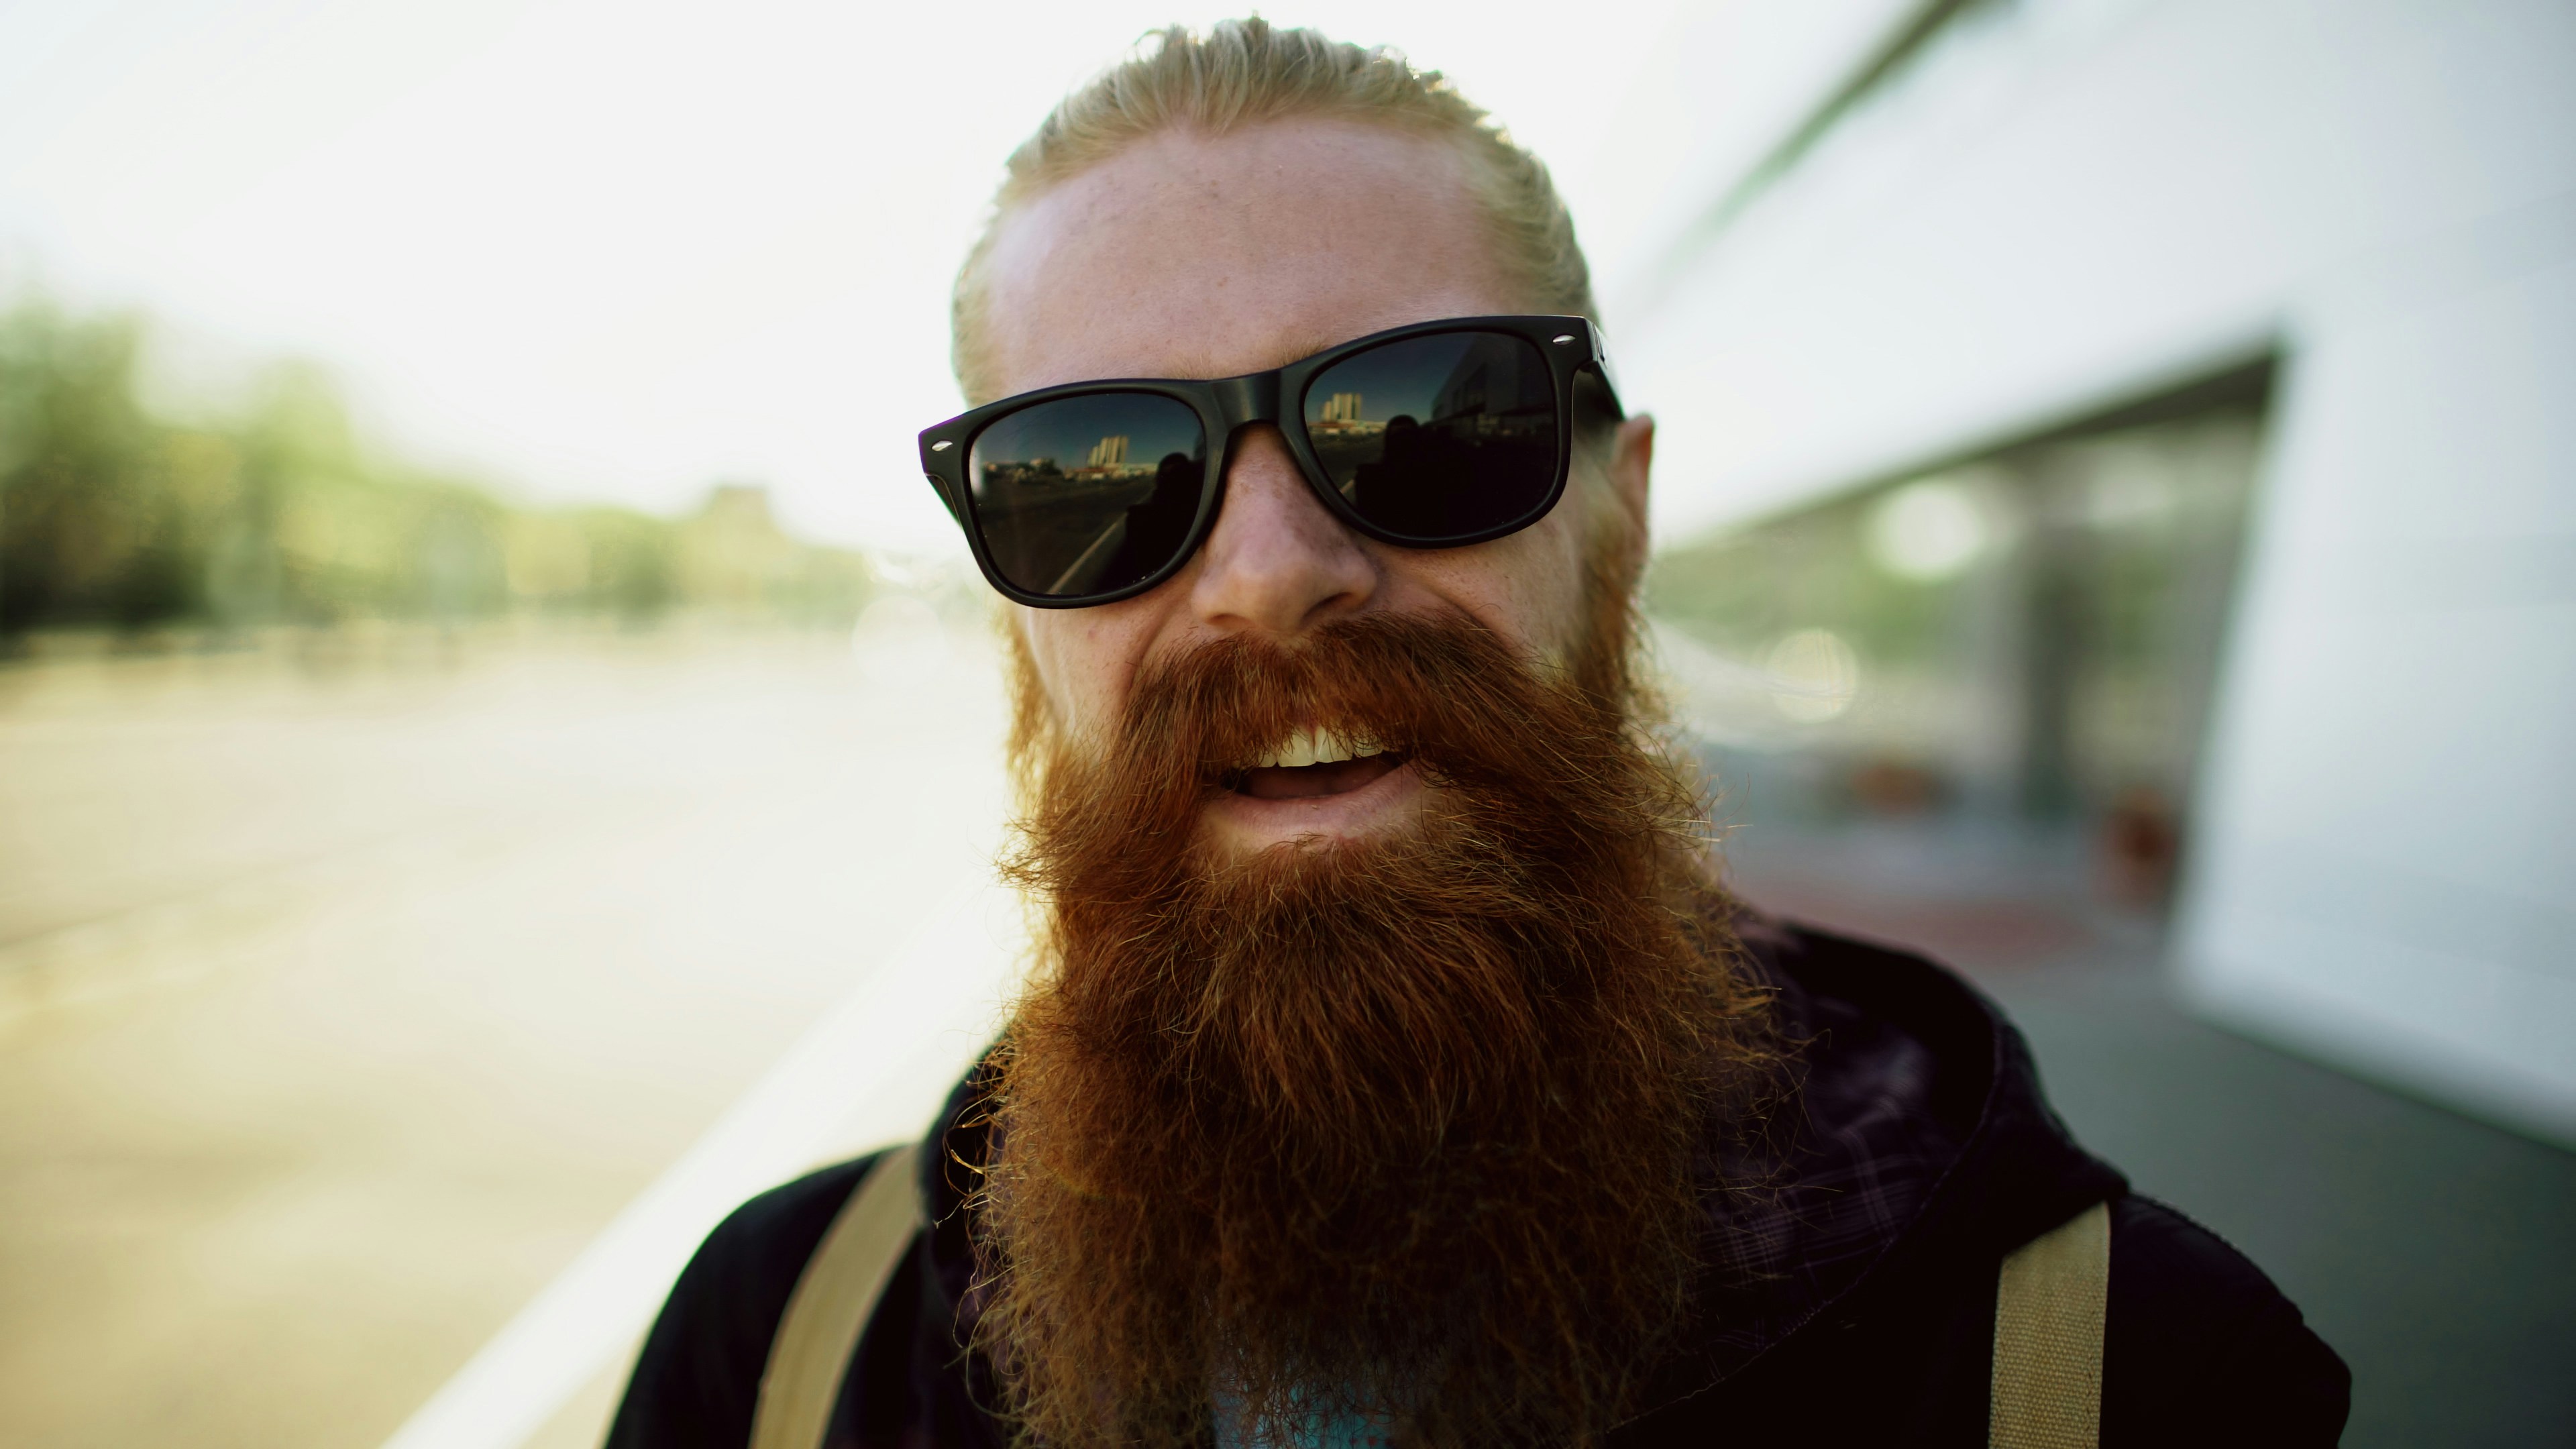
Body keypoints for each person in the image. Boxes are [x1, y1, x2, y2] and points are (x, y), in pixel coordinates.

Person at [608, 19, 2348, 1448]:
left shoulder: (2127, 1386)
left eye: (1430, 426)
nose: (1271, 580)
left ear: (1623, 522)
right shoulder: (772, 1359)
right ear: (1022, 620)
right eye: (1102, 477)